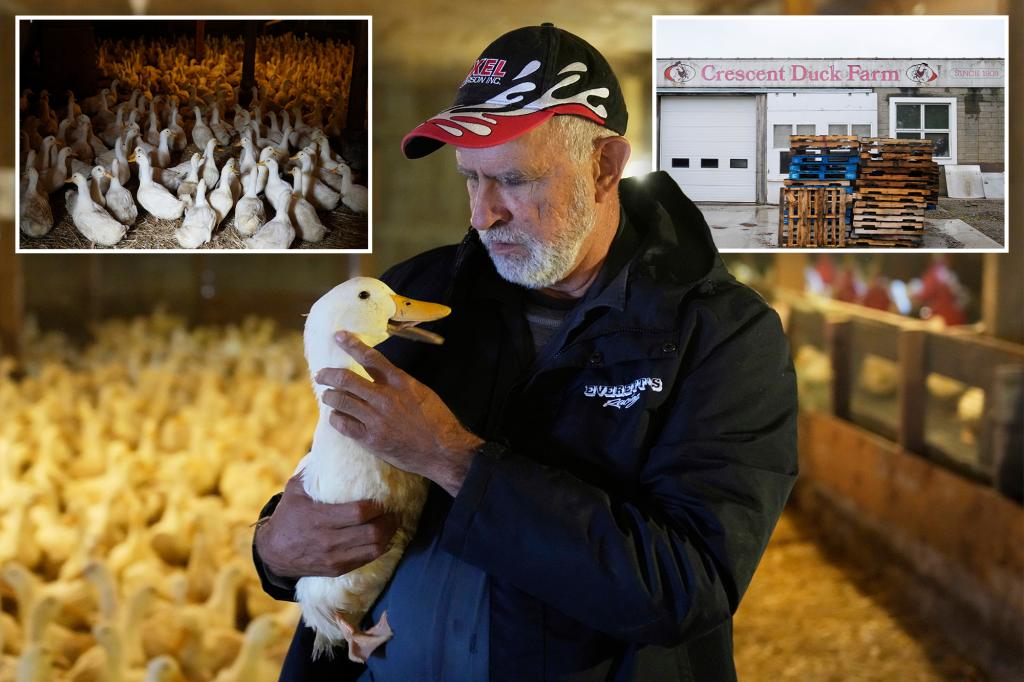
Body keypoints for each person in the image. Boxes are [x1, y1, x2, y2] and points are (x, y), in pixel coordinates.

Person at [253, 23, 798, 681]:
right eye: (469, 179)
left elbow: (687, 585)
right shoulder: (414, 296)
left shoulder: (722, 338)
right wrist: (275, 550)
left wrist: (451, 457)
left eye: (512, 179)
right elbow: (329, 471)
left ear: (604, 166)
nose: (482, 215)